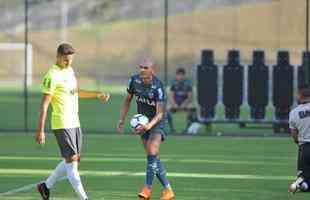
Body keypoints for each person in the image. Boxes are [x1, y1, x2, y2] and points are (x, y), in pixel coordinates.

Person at [36, 43, 110, 200]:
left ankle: (45, 186)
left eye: (71, 60)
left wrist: (97, 94)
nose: (68, 63)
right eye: (65, 60)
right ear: (58, 57)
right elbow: (44, 105)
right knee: (72, 164)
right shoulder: (51, 75)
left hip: (74, 122)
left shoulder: (70, 70)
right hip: (62, 124)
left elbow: (76, 92)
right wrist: (40, 130)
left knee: (73, 160)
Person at [117, 59, 175, 200]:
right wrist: (122, 119)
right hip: (143, 123)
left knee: (151, 150)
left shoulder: (158, 87)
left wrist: (149, 126)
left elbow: (160, 112)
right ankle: (168, 190)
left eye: (146, 67)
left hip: (157, 122)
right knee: (153, 156)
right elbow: (127, 100)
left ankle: (147, 189)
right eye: (141, 67)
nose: (142, 69)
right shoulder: (134, 81)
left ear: (152, 70)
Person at [288, 87, 310, 194]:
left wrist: (299, 142)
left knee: (303, 176)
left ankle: (302, 184)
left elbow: (294, 135)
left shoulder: (294, 112)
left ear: (301, 96)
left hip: (304, 147)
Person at [167, 67, 196, 134]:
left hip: (185, 103)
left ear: (184, 75)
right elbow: (171, 96)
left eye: (181, 75)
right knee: (166, 110)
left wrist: (184, 104)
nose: (180, 77)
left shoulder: (188, 83)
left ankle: (188, 129)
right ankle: (171, 129)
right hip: (175, 103)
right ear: (176, 75)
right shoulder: (174, 83)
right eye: (178, 75)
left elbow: (190, 97)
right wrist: (174, 104)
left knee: (192, 108)